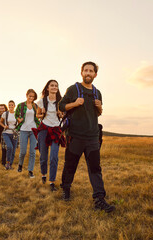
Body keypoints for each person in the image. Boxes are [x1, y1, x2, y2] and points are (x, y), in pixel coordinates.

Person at [58, 61, 115, 213]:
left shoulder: (97, 93)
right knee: (70, 165)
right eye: (86, 70)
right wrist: (75, 103)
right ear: (81, 72)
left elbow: (98, 113)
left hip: (92, 137)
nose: (88, 73)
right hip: (75, 136)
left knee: (95, 168)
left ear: (95, 74)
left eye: (91, 71)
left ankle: (99, 199)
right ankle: (66, 189)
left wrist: (99, 107)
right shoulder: (73, 89)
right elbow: (61, 106)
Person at [33, 80, 64, 191]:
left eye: (56, 85)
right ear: (47, 88)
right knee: (43, 156)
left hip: (56, 130)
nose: (54, 87)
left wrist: (60, 114)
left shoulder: (61, 102)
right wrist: (43, 113)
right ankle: (44, 174)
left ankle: (52, 182)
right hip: (44, 129)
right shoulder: (41, 101)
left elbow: (62, 115)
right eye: (52, 85)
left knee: (54, 157)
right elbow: (37, 115)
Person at [15, 89, 40, 178]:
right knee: (23, 151)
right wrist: (18, 119)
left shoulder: (36, 106)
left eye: (33, 97)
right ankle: (20, 165)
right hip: (23, 130)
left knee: (32, 152)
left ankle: (30, 171)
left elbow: (38, 116)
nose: (31, 98)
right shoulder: (21, 105)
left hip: (33, 130)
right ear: (26, 95)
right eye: (30, 96)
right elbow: (16, 115)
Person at [0, 100, 18, 170]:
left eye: (12, 105)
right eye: (9, 105)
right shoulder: (5, 113)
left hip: (14, 133)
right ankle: (7, 163)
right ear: (8, 106)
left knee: (13, 150)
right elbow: (0, 122)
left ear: (14, 106)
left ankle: (10, 165)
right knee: (9, 147)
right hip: (6, 133)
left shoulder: (17, 113)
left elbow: (20, 122)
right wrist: (4, 126)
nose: (10, 106)